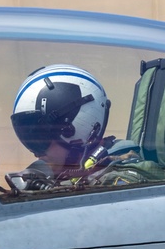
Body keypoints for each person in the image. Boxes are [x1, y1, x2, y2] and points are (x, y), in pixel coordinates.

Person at [6, 65, 115, 193]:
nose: (35, 152)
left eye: (40, 138)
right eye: (28, 138)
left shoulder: (115, 183)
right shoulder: (68, 178)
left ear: (74, 131)